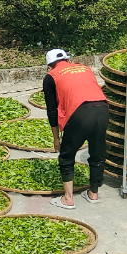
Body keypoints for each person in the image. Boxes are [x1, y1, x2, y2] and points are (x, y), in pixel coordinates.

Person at [41, 49, 108, 209]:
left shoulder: (51, 77)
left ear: (49, 65)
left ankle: (68, 199)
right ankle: (93, 194)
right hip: (102, 109)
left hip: (80, 113)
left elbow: (52, 110)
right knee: (97, 153)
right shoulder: (85, 68)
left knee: (66, 156)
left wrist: (56, 138)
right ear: (68, 60)